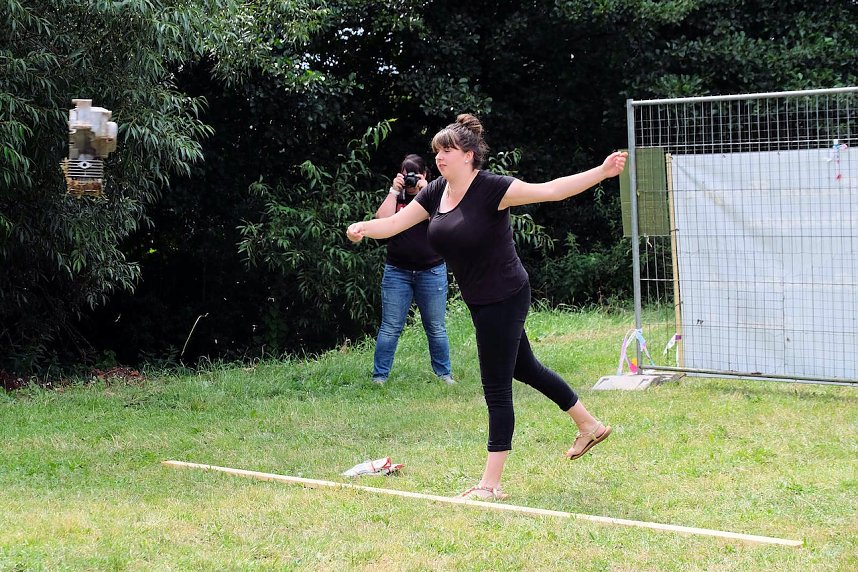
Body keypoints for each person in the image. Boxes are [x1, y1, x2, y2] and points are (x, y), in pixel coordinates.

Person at [347, 114, 627, 500]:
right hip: (481, 299)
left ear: (469, 155)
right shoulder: (436, 192)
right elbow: (394, 225)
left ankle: (490, 485)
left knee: (495, 386)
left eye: (447, 150)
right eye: (437, 151)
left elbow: (552, 190)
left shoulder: (494, 188)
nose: (440, 157)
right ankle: (589, 426)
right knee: (523, 367)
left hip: (505, 294)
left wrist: (601, 171)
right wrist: (362, 227)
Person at [370, 154, 455, 386]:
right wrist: (392, 190)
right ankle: (380, 377)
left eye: (415, 174)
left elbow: (443, 221)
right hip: (397, 271)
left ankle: (444, 375)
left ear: (425, 175)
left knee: (435, 327)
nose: (410, 179)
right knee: (390, 326)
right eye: (406, 173)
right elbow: (381, 220)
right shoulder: (396, 198)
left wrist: (427, 191)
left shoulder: (435, 196)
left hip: (432, 270)